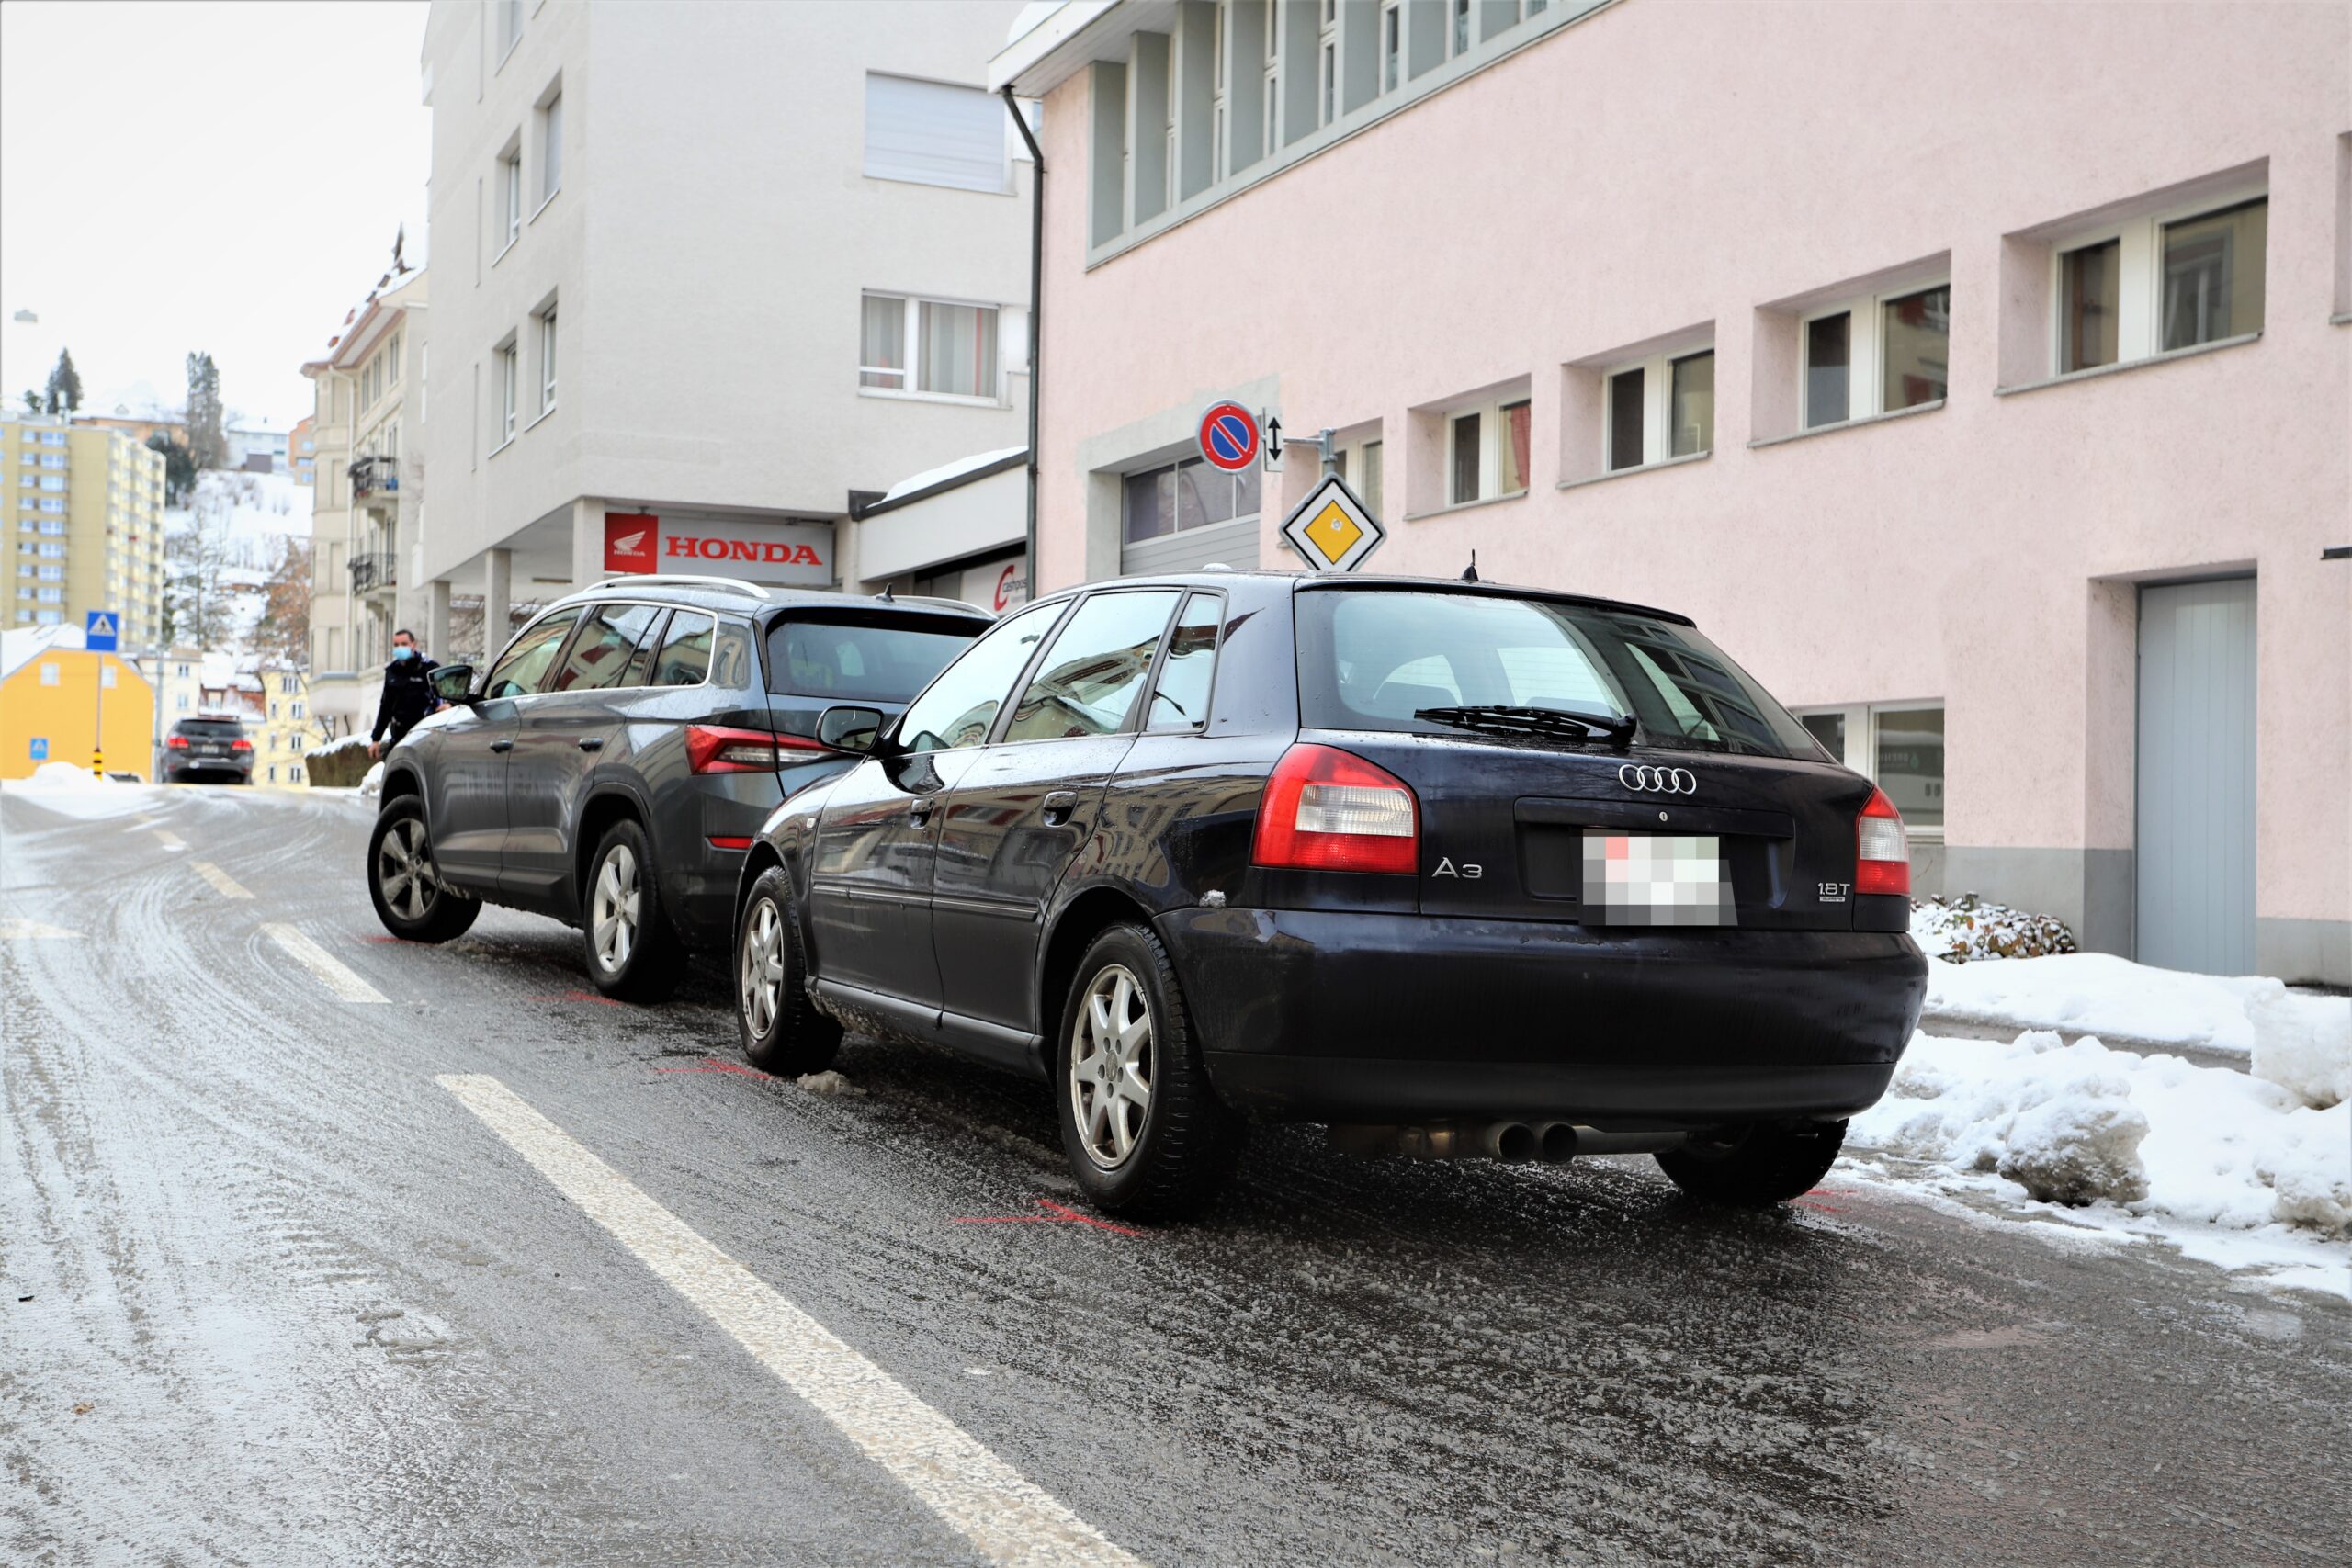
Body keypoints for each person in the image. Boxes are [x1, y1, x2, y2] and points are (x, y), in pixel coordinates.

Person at [369, 629, 441, 759]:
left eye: (404, 643)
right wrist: (376, 739)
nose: (400, 648)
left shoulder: (428, 668)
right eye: (396, 645)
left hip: (425, 734)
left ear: (413, 644)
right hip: (399, 736)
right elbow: (385, 706)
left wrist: (448, 704)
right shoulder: (392, 671)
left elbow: (444, 695)